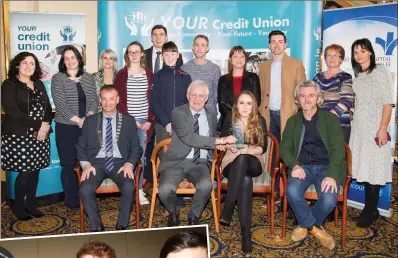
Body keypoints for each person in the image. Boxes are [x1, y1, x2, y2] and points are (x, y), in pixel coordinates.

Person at [158, 80, 236, 227]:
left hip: (199, 162)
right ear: (188, 96)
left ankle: (194, 214)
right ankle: (173, 211)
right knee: (164, 189)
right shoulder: (178, 113)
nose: (197, 99)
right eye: (193, 95)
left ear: (206, 98)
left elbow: (212, 135)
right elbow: (190, 138)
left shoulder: (212, 114)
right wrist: (219, 140)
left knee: (207, 185)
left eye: (201, 96)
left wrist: (222, 145)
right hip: (176, 161)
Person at [280, 80, 346, 250]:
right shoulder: (292, 121)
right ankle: (317, 230)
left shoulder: (330, 119)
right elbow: (285, 149)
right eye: (302, 96)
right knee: (292, 191)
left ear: (318, 98)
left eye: (311, 96)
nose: (306, 99)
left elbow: (339, 151)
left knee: (330, 199)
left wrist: (332, 174)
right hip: (302, 167)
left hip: (327, 167)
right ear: (297, 100)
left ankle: (305, 226)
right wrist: (294, 165)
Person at [76, 85, 142, 232]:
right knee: (85, 189)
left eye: (111, 99)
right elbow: (80, 147)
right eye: (104, 99)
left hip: (120, 164)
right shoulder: (90, 121)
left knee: (129, 187)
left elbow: (136, 147)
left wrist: (130, 164)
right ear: (100, 100)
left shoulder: (128, 120)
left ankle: (122, 225)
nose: (107, 103)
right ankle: (97, 226)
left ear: (117, 100)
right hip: (96, 164)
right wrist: (86, 165)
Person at [1, 52, 52, 220]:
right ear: (17, 65)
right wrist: (39, 125)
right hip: (19, 136)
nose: (29, 66)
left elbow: (47, 108)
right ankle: (18, 207)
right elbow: (12, 110)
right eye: (25, 63)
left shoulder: (39, 84)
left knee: (35, 171)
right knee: (25, 173)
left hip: (40, 134)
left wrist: (45, 126)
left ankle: (31, 204)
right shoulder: (9, 84)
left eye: (32, 63)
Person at [349, 38, 394, 228]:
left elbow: (387, 103)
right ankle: (369, 209)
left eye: (362, 50)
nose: (359, 55)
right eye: (355, 52)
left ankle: (371, 211)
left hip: (375, 129)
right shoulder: (358, 77)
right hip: (359, 129)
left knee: (374, 170)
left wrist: (383, 128)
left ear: (370, 52)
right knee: (365, 169)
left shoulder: (380, 72)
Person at [217, 91, 268, 253]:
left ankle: (229, 205)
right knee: (245, 180)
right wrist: (227, 145)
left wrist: (246, 150)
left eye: (248, 103)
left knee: (243, 158)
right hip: (231, 161)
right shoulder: (229, 119)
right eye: (241, 103)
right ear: (236, 105)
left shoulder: (260, 120)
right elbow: (223, 141)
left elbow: (263, 147)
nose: (245, 107)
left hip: (254, 159)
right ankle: (246, 234)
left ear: (253, 106)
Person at [258, 29, 306, 196]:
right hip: (268, 116)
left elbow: (303, 93)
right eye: (273, 42)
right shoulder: (263, 67)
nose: (276, 45)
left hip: (289, 116)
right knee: (271, 154)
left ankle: (289, 193)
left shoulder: (296, 64)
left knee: (289, 154)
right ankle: (274, 191)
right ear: (269, 45)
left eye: (280, 41)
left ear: (285, 44)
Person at [51, 45, 99, 209]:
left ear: (79, 59)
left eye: (73, 57)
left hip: (86, 126)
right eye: (66, 58)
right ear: (63, 61)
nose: (70, 61)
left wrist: (89, 116)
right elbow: (60, 103)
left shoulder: (87, 77)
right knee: (68, 164)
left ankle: (85, 196)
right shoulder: (58, 78)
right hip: (66, 128)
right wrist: (77, 120)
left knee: (86, 162)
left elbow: (94, 100)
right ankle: (71, 200)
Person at [114, 41, 155, 206]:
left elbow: (154, 100)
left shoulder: (149, 74)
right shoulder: (121, 74)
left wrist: (150, 121)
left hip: (145, 123)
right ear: (127, 55)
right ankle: (130, 190)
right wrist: (133, 122)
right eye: (131, 52)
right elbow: (118, 101)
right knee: (128, 156)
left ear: (142, 53)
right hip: (128, 122)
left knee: (141, 157)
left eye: (137, 51)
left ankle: (138, 191)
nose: (134, 54)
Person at [150, 41, 192, 144]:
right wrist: (166, 123)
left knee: (181, 156)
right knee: (165, 157)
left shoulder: (185, 76)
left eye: (173, 54)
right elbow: (154, 103)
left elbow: (188, 101)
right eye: (166, 54)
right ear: (162, 57)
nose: (170, 58)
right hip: (162, 125)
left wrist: (179, 121)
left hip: (181, 124)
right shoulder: (157, 76)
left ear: (178, 55)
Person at [313, 44, 353, 142]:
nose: (332, 58)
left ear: (341, 59)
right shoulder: (317, 78)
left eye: (335, 55)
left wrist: (328, 117)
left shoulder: (346, 77)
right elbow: (312, 99)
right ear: (325, 59)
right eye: (329, 55)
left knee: (338, 156)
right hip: (319, 124)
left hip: (339, 125)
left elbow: (347, 100)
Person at [218, 46, 261, 130]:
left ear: (245, 59)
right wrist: (235, 118)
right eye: (235, 56)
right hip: (228, 122)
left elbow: (256, 101)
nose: (239, 59)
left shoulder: (253, 77)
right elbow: (222, 104)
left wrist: (244, 117)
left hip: (249, 123)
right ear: (230, 59)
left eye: (242, 56)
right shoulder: (223, 79)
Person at [181, 35, 221, 112]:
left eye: (203, 45)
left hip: (209, 114)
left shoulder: (215, 69)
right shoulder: (184, 68)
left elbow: (216, 95)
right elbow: (183, 94)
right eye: (197, 45)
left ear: (207, 48)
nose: (199, 48)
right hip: (188, 115)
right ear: (193, 47)